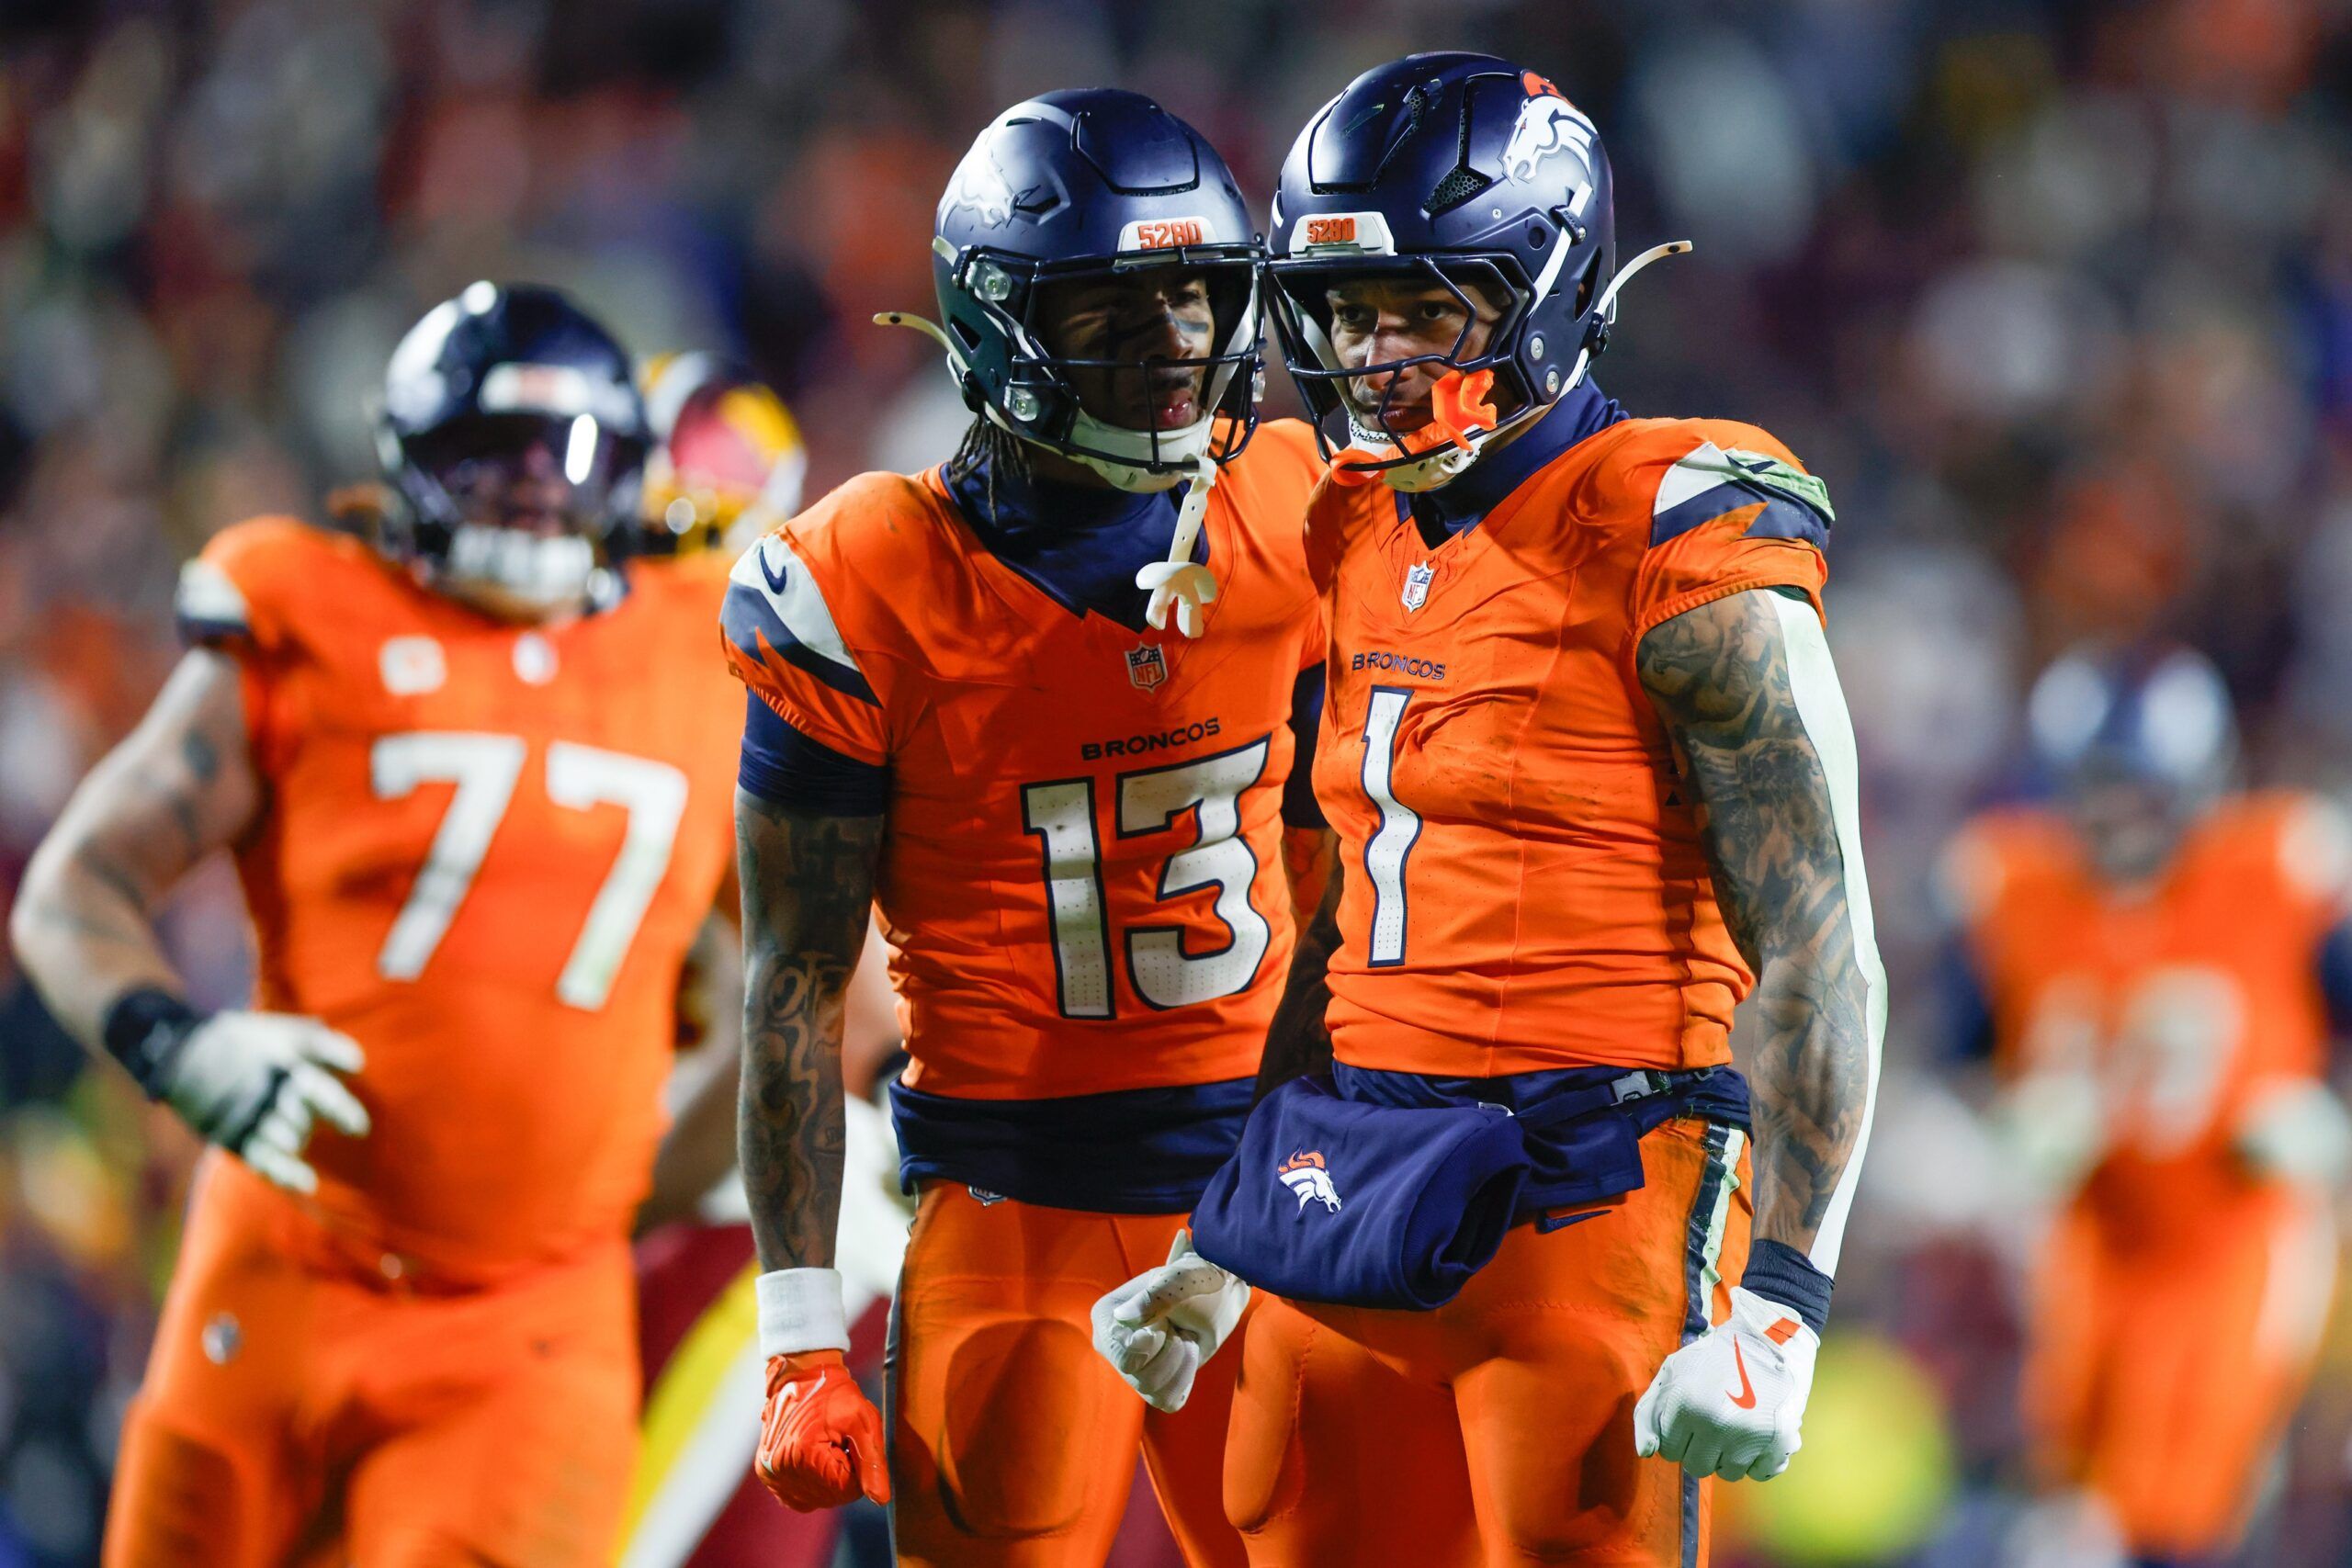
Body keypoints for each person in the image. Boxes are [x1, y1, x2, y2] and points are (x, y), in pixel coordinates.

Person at [1091, 52, 1884, 1567]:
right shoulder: (1355, 518)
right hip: (1354, 1189)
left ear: (1544, 282)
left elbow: (1823, 940)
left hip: (1603, 1195)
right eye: (1344, 312)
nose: (1376, 356)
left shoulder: (1676, 523)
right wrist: (1221, 1237)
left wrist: (1784, 1301)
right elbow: (1346, 920)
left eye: (1424, 309)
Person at [8, 282, 747, 1567]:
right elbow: (75, 882)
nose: (530, 491)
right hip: (284, 1264)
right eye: (489, 455)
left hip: (526, 1331)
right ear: (410, 460)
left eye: (565, 457)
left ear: (629, 474)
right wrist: (178, 1042)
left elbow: (818, 993)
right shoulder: (310, 614)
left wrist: (603, 1191)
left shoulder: (706, 653)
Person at [721, 90, 1329, 1568]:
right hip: (1011, 1201)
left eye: (1196, 293)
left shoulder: (1301, 501)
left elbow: (1354, 854)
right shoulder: (866, 576)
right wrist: (799, 1324)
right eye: (1118, 307)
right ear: (999, 325)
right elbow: (794, 975)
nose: (1178, 342)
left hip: (1265, 1192)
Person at [1939, 646, 2352, 1568]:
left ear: (2199, 786)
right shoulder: (2014, 885)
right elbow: (1950, 1063)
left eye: (2139, 793)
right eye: (2095, 790)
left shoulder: (2273, 869)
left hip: (2234, 1230)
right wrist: (2003, 1126)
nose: (2114, 818)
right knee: (2074, 1501)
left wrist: (2327, 1119)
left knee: (2189, 1512)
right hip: (2087, 1233)